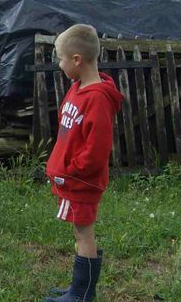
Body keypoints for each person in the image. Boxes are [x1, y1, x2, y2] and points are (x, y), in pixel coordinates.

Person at [45, 24, 123, 302]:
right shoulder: (78, 88)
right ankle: (79, 290)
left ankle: (81, 295)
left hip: (80, 181)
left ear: (77, 59)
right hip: (71, 178)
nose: (60, 64)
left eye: (61, 59)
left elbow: (97, 149)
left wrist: (71, 171)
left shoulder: (98, 98)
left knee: (84, 234)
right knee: (80, 233)